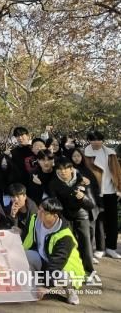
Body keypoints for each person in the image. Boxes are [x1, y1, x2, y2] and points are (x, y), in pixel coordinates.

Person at [22, 198, 85, 305]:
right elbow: (27, 235)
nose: (39, 213)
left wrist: (46, 285)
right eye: (39, 209)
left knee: (62, 275)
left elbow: (57, 262)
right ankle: (34, 286)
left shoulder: (65, 236)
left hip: (64, 267)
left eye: (44, 212)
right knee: (25, 256)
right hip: (44, 259)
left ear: (55, 216)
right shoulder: (35, 219)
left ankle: (71, 291)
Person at [50, 158, 96, 275]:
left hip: (82, 216)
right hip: (65, 217)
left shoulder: (82, 181)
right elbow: (54, 203)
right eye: (60, 169)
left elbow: (91, 204)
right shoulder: (54, 183)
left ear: (71, 169)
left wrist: (83, 198)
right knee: (68, 244)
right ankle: (72, 271)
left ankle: (89, 271)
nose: (63, 172)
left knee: (85, 244)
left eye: (65, 169)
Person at [83, 130, 121, 259]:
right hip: (95, 192)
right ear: (89, 141)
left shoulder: (110, 153)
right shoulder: (86, 154)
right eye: (93, 140)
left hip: (111, 191)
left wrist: (119, 188)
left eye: (99, 139)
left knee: (112, 221)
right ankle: (100, 248)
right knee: (99, 221)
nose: (96, 142)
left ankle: (111, 248)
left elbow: (117, 172)